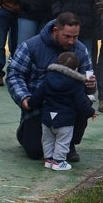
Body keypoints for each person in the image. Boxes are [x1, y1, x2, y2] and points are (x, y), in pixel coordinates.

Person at [6, 13, 97, 162]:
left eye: (75, 37)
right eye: (67, 36)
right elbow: (14, 74)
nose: (72, 41)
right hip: (39, 107)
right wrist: (24, 98)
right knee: (35, 152)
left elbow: (90, 84)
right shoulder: (31, 46)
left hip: (68, 109)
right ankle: (25, 131)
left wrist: (91, 86)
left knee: (84, 106)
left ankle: (70, 143)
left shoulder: (81, 50)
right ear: (56, 30)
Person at [30, 51, 96, 171]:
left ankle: (48, 159)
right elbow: (81, 102)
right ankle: (59, 162)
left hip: (47, 117)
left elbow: (38, 95)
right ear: (76, 68)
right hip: (65, 119)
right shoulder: (76, 84)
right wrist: (90, 112)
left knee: (47, 139)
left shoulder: (48, 78)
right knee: (63, 141)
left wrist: (30, 103)